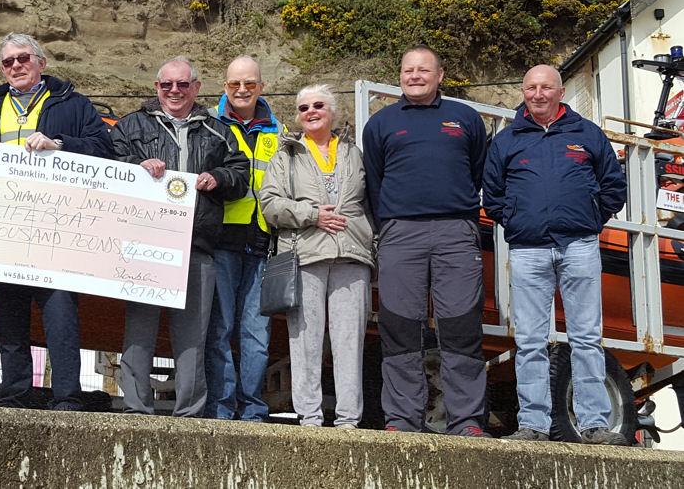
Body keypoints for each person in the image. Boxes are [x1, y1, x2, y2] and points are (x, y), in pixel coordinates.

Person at [0, 33, 111, 410]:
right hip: (2, 229)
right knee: (9, 319)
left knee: (60, 318)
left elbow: (104, 150)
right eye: (8, 62)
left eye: (23, 58)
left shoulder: (73, 105)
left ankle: (67, 397)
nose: (16, 66)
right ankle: (15, 394)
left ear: (41, 62)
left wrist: (60, 144)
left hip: (55, 230)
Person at [483, 65, 628, 445]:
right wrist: (515, 222)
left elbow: (614, 184)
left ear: (560, 91)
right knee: (530, 340)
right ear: (523, 92)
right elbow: (492, 193)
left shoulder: (587, 134)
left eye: (546, 87)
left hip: (579, 245)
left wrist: (592, 219)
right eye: (530, 87)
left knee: (586, 338)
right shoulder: (507, 139)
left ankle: (594, 423)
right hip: (528, 249)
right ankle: (533, 424)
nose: (538, 94)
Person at [362, 45, 490, 436]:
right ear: (399, 75)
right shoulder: (381, 124)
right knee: (400, 327)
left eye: (423, 70)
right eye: (408, 70)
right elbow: (375, 181)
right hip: (401, 233)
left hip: (456, 232)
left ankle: (466, 420)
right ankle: (402, 418)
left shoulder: (466, 119)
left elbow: (478, 171)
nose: (415, 76)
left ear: (440, 75)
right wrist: (390, 224)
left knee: (461, 326)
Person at [111, 56, 249, 417]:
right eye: (166, 84)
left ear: (196, 88)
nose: (174, 91)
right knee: (139, 329)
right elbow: (108, 165)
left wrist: (218, 177)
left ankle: (190, 412)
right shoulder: (130, 126)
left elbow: (240, 173)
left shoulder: (218, 130)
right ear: (156, 87)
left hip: (197, 245)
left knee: (193, 336)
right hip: (144, 243)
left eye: (182, 84)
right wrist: (136, 168)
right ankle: (136, 409)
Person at [260, 84, 373, 428]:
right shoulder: (286, 155)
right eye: (304, 107)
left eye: (318, 105)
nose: (311, 111)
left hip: (352, 254)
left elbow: (372, 200)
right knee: (305, 340)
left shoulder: (355, 153)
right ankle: (309, 416)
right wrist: (312, 215)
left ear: (333, 111)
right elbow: (269, 204)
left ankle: (348, 420)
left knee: (349, 340)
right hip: (305, 254)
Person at [204, 56, 279, 421]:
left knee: (257, 335)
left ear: (261, 86)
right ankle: (221, 407)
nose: (242, 90)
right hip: (221, 241)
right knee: (220, 329)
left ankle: (253, 410)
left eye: (249, 83)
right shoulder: (210, 126)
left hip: (263, 243)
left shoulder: (278, 136)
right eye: (235, 84)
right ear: (225, 86)